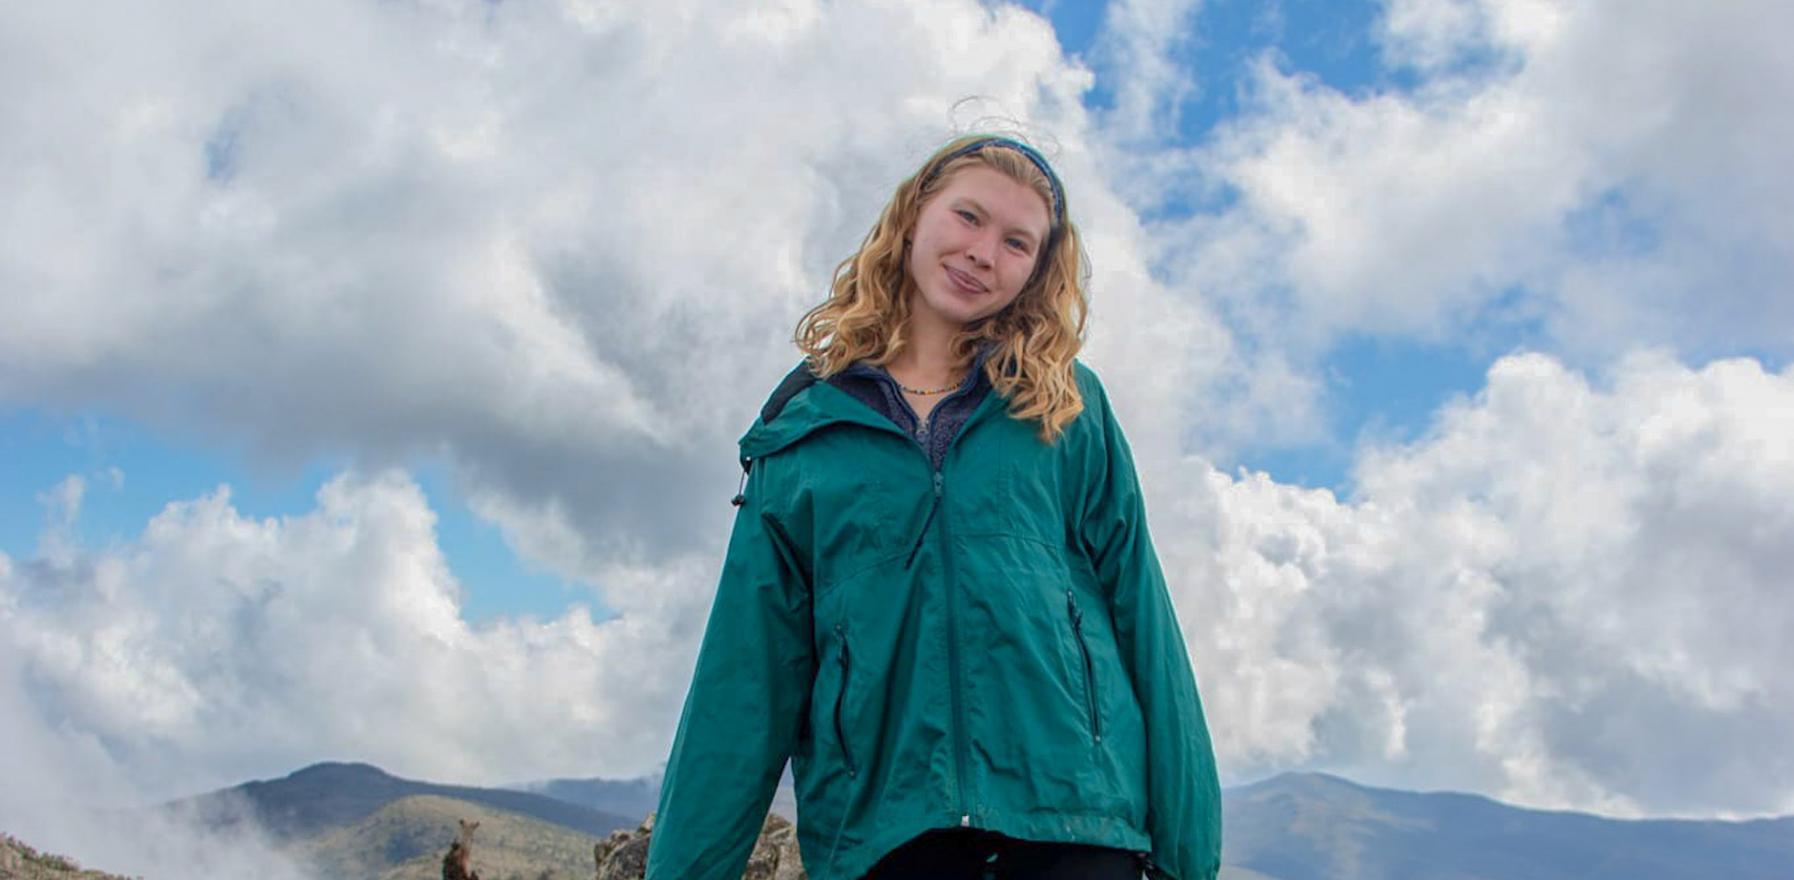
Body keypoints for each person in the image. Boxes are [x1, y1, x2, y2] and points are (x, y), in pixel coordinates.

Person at [644, 134, 1221, 880]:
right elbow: (744, 679)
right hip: (887, 841)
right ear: (914, 216)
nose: (984, 252)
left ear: (1039, 270)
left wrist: (1187, 855)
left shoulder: (1065, 408)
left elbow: (1145, 620)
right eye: (968, 217)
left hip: (1079, 829)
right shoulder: (804, 435)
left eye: (1018, 242)